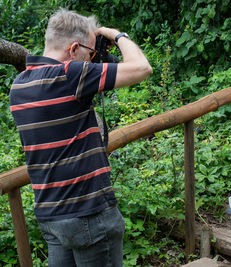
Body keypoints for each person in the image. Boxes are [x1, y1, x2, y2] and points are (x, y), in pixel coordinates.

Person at [9, 9, 152, 266]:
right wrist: (117, 35)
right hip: (90, 215)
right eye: (89, 53)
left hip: (52, 219)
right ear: (73, 49)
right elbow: (142, 68)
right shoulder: (71, 76)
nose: (92, 58)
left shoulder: (18, 87)